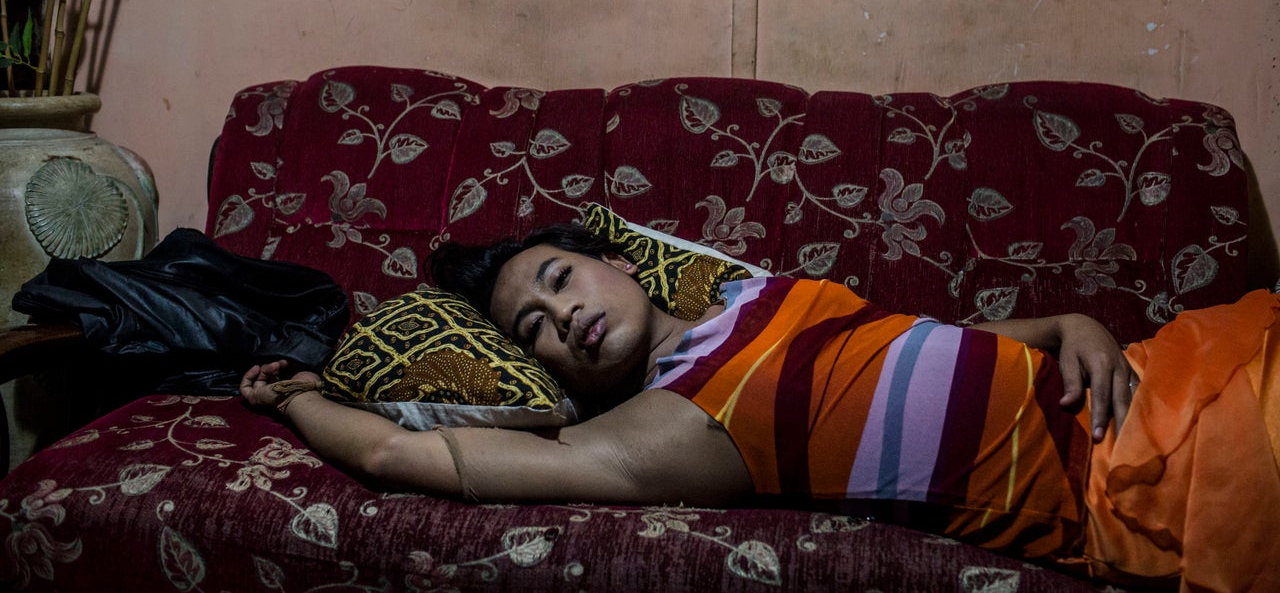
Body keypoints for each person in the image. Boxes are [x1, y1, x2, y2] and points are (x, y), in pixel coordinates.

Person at [241, 223, 1280, 589]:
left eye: (559, 280)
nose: (560, 318)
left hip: (1169, 362)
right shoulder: (653, 435)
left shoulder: (748, 296)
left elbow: (919, 348)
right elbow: (400, 455)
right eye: (532, 331)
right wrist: (301, 403)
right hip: (1143, 478)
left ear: (614, 261)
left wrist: (1066, 326)